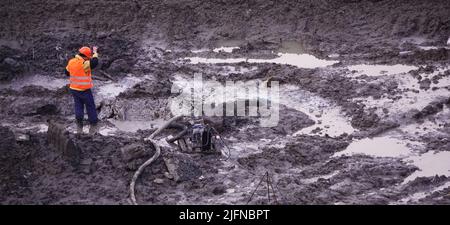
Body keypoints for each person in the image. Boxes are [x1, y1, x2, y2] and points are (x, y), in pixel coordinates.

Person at [65, 46, 99, 135]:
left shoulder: (71, 61)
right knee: (90, 106)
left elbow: (66, 72)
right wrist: (95, 52)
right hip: (84, 90)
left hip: (74, 89)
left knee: (78, 105)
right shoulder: (85, 63)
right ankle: (93, 122)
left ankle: (79, 122)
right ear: (86, 56)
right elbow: (95, 62)